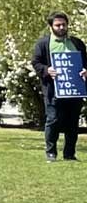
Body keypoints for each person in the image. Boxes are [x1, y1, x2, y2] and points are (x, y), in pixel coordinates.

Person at [30, 11, 86, 162]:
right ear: (51, 27)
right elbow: (36, 62)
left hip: (74, 90)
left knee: (73, 122)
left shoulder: (77, 43)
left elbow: (84, 63)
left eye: (64, 24)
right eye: (57, 25)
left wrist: (85, 71)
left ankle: (69, 154)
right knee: (53, 120)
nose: (61, 27)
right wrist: (47, 70)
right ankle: (51, 152)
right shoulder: (43, 44)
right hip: (53, 90)